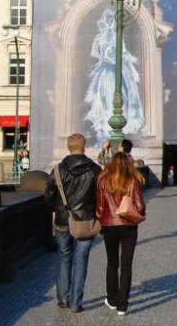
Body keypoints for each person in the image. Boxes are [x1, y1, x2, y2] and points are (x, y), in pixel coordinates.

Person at [44, 133, 101, 313]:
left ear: (69, 147)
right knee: (81, 259)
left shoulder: (58, 170)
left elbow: (48, 196)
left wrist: (58, 210)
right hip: (85, 220)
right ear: (84, 147)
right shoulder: (94, 169)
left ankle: (63, 298)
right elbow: (101, 196)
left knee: (64, 256)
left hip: (63, 220)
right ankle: (76, 302)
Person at [96, 152, 146, 315]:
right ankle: (123, 305)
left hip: (109, 225)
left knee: (112, 263)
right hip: (129, 226)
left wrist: (102, 221)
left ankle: (112, 299)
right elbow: (140, 206)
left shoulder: (104, 181)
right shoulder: (133, 181)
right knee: (126, 265)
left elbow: (100, 207)